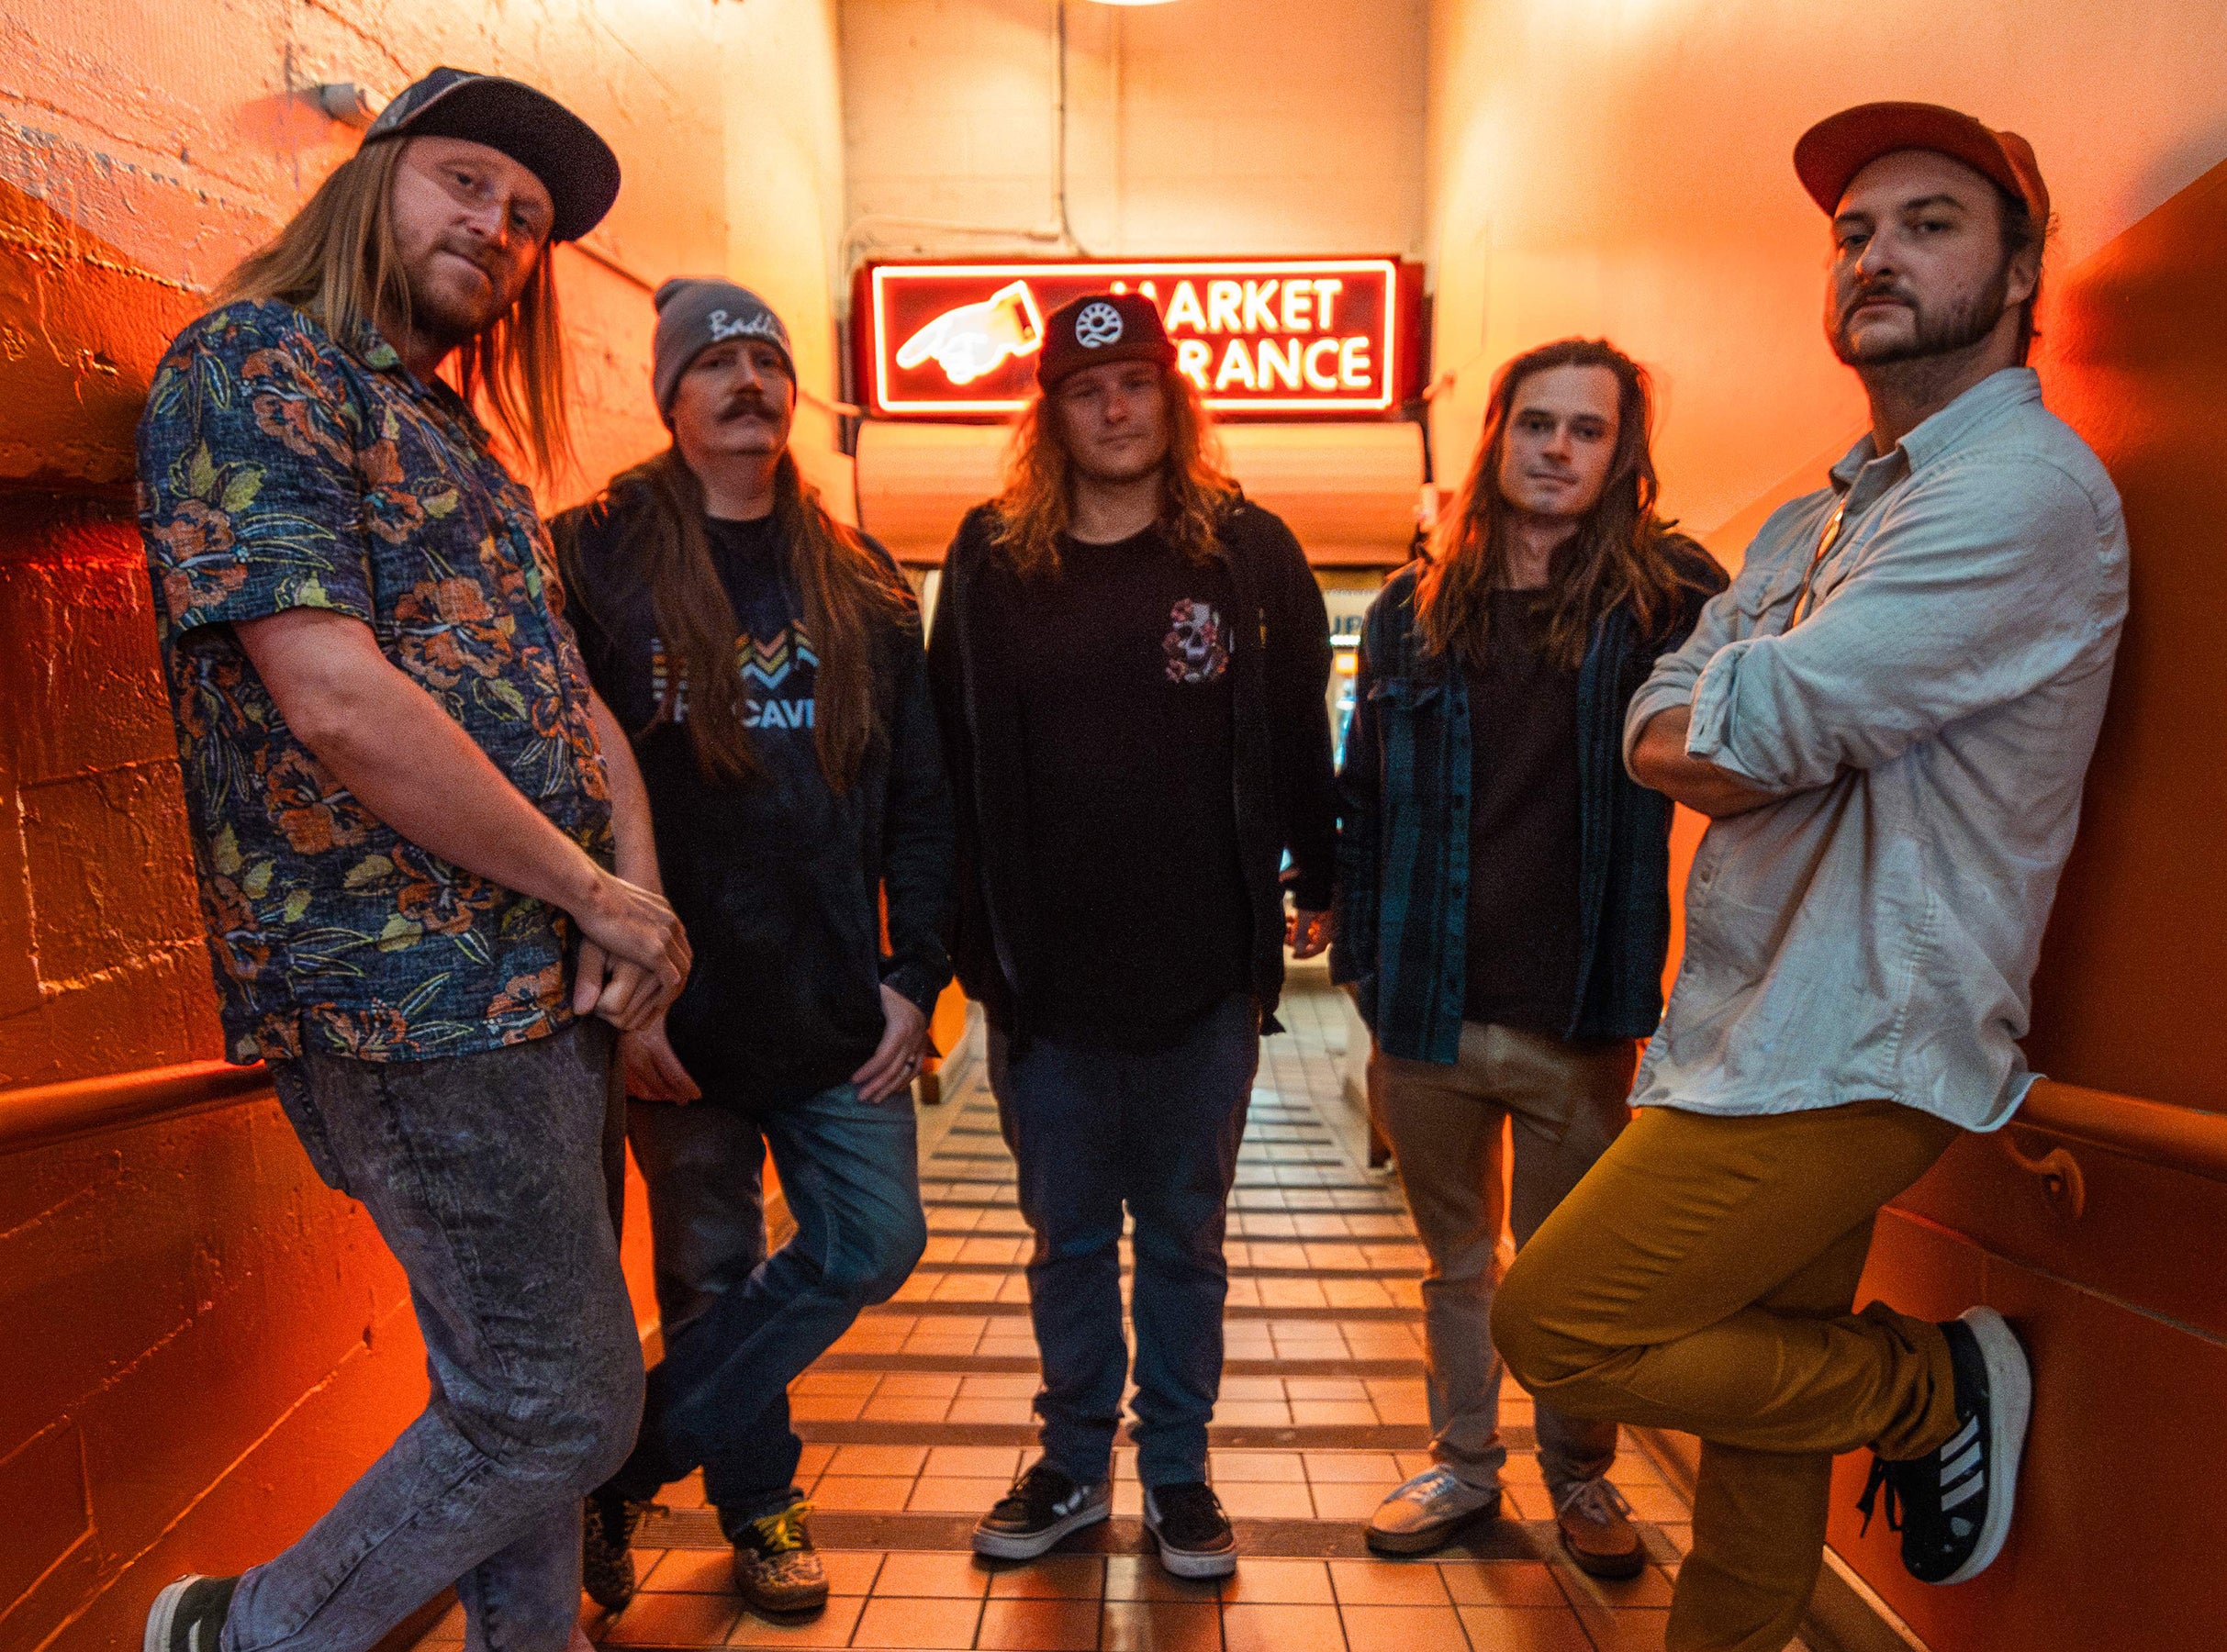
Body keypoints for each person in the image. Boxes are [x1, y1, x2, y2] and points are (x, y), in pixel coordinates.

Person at [1492, 103, 2128, 1651]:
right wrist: (1707, 713)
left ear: (2020, 270)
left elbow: (1739, 730)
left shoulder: (2021, 492)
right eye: (1852, 234)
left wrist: (1711, 713)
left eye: (1928, 225)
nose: (1874, 257)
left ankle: (1924, 1390)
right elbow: (1667, 709)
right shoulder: (1814, 519)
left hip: (1863, 1034)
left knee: (1557, 1326)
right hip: (1752, 1022)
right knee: (1759, 1421)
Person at [136, 69, 690, 1652]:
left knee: (511, 1399)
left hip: (541, 985)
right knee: (559, 1405)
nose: (497, 229)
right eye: (465, 182)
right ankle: (247, 1632)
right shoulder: (255, 368)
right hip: (408, 992)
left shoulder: (456, 437)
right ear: (367, 174)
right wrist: (590, 893)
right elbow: (329, 694)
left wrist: (635, 909)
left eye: (526, 219)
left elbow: (571, 701)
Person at [552, 280, 948, 1617]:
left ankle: (624, 1466)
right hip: (674, 1014)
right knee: (705, 1274)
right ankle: (763, 1509)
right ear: (669, 393)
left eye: (765, 362)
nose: (745, 383)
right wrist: (624, 999)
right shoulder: (594, 555)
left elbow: (923, 799)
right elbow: (560, 788)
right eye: (713, 362)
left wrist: (915, 976)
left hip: (837, 1010)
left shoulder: (863, 578)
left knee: (873, 1241)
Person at [928, 292, 1338, 1579]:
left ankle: (1175, 1473)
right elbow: (946, 758)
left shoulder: (1247, 551)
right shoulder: (991, 558)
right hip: (1043, 984)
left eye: (1137, 385)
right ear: (1050, 414)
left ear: (1172, 398)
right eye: (1085, 390)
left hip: (1203, 979)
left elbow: (1298, 727)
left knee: (1182, 1241)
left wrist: (1321, 872)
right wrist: (956, 947)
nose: (1114, 410)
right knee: (1064, 1244)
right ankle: (1067, 1466)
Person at [1333, 340, 1725, 1573]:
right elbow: (1363, 802)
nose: (1556, 449)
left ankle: (1582, 1478)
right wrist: (1363, 972)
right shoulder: (1409, 615)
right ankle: (1462, 1465)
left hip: (1578, 1011)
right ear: (1496, 434)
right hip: (1425, 1009)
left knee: (1569, 1272)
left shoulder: (1659, 601)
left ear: (1620, 456)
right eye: (1536, 423)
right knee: (1457, 1265)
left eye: (1586, 430)